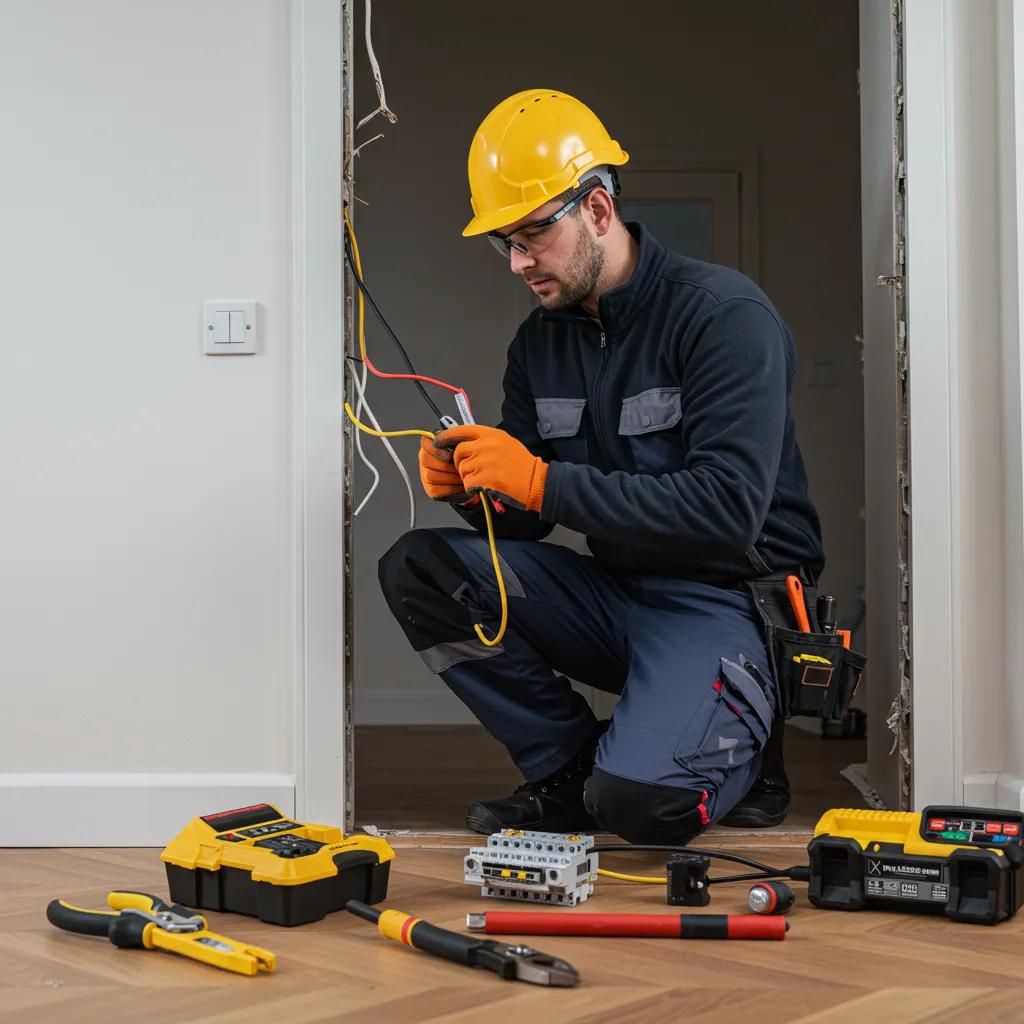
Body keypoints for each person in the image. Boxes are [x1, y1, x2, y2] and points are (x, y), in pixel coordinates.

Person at [377, 89, 824, 844]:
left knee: (642, 810)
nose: (518, 262)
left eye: (530, 236)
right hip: (614, 596)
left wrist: (538, 480)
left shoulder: (722, 318)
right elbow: (527, 518)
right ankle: (569, 767)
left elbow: (726, 510)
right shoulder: (540, 344)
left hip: (724, 601)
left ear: (596, 209)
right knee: (422, 567)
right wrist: (476, 489)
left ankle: (747, 745)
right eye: (503, 244)